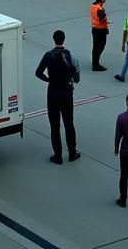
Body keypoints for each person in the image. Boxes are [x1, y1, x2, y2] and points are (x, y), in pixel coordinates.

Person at [34, 30, 80, 164]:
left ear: (54, 39)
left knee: (55, 126)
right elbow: (77, 75)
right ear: (64, 39)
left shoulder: (48, 55)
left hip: (53, 93)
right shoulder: (71, 55)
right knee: (69, 124)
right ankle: (72, 152)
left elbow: (38, 72)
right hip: (66, 93)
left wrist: (49, 80)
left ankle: (58, 155)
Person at [90, 0, 109, 71]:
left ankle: (95, 62)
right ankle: (96, 64)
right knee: (100, 46)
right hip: (100, 30)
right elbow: (102, 19)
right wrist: (105, 19)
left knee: (95, 47)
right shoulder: (100, 9)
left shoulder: (93, 6)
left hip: (95, 28)